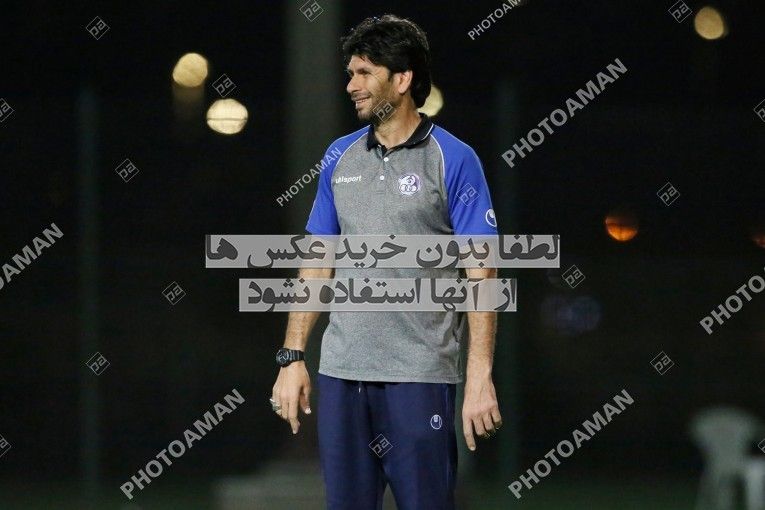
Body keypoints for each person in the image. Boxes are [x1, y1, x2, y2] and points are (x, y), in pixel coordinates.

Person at [270, 14, 503, 510]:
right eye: (350, 73)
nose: (351, 86)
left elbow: (482, 272)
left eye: (364, 73)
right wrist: (292, 357)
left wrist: (479, 374)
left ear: (402, 79)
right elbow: (317, 259)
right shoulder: (339, 157)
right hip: (341, 376)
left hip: (420, 378)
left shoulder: (454, 158)